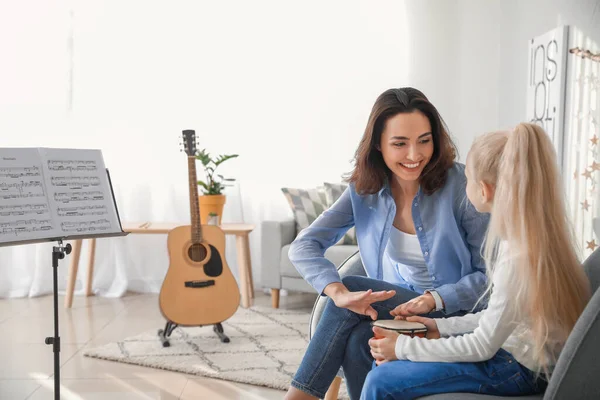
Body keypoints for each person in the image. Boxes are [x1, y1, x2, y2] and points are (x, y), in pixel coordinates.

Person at [284, 87, 490, 400]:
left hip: (457, 315)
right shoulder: (364, 190)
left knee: (353, 283)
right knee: (357, 340)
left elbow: (489, 276)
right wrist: (337, 293)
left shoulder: (462, 186)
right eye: (400, 143)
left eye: (424, 140)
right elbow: (303, 245)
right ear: (379, 145)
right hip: (399, 311)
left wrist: (434, 299)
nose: (414, 155)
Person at [361, 123, 592, 399]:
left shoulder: (518, 258)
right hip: (517, 358)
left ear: (484, 190)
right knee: (385, 365)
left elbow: (483, 345)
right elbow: (501, 318)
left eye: (467, 179)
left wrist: (402, 348)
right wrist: (440, 326)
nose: (463, 185)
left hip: (514, 369)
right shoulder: (532, 241)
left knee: (380, 380)